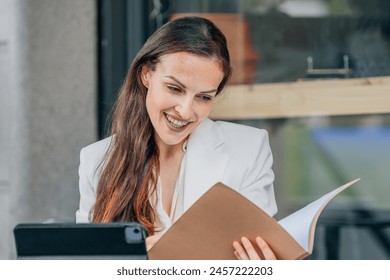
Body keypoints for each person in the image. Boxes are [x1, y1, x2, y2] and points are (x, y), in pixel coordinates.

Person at [76, 16, 277, 260]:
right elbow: (88, 262)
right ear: (146, 75)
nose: (185, 110)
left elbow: (257, 252)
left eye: (204, 97)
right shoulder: (96, 160)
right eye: (175, 89)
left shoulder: (249, 149)